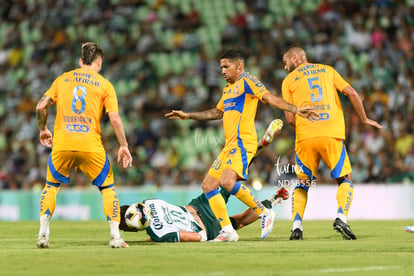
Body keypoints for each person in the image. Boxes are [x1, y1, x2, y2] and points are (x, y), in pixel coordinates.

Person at [165, 49, 319, 242]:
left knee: (227, 182)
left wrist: (296, 109)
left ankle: (264, 212)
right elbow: (216, 112)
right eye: (220, 67)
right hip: (228, 147)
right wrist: (188, 115)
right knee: (208, 185)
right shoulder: (227, 90)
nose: (222, 71)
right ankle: (228, 230)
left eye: (226, 66)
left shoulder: (248, 81)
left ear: (239, 66)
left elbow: (269, 98)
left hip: (242, 143)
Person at [35, 42, 133, 248]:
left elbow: (40, 106)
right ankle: (115, 237)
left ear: (80, 61)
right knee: (107, 189)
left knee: (51, 187)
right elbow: (114, 118)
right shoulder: (105, 84)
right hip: (91, 145)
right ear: (99, 62)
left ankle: (43, 233)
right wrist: (123, 145)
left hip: (62, 144)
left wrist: (43, 129)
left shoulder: (63, 79)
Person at [281, 45, 383, 240]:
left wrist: (307, 128)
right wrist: (364, 119)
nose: (285, 68)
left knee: (303, 183)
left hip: (305, 136)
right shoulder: (328, 70)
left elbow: (290, 119)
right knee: (345, 179)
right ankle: (341, 218)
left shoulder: (288, 81)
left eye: (285, 63)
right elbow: (351, 92)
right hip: (331, 133)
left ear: (295, 59)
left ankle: (296, 227)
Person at [120, 187, 290, 242]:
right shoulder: (149, 202)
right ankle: (257, 148)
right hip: (199, 205)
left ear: (133, 229)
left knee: (238, 222)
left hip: (207, 228)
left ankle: (271, 202)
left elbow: (187, 236)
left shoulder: (158, 235)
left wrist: (205, 237)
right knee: (228, 182)